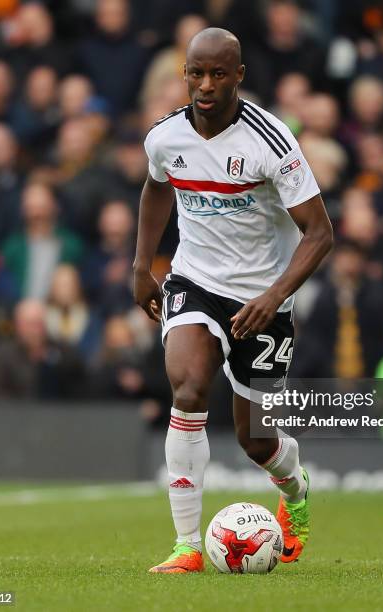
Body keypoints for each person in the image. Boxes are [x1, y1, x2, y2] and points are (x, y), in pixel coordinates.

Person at [133, 28, 333, 573]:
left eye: (218, 74)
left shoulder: (271, 141)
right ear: (184, 73)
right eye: (196, 73)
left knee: (256, 440)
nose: (204, 84)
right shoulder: (165, 137)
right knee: (189, 385)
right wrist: (142, 265)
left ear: (238, 76)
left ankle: (295, 490)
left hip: (262, 300)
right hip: (194, 280)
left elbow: (319, 233)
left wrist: (274, 296)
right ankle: (187, 546)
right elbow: (156, 186)